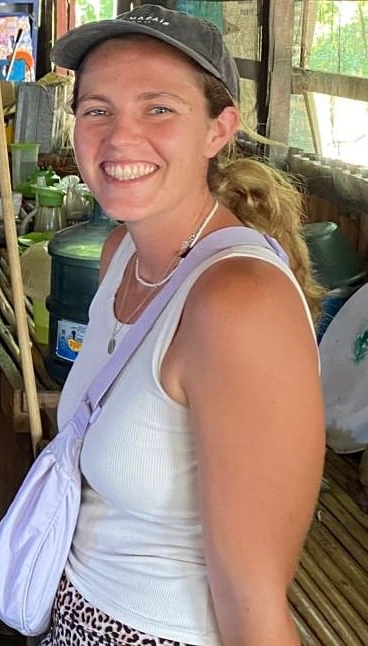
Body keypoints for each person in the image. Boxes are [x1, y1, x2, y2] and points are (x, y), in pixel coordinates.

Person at [41, 6, 325, 645]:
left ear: (218, 130)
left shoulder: (237, 302)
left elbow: (256, 603)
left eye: (159, 108)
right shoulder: (121, 256)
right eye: (97, 110)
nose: (119, 138)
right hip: (73, 616)